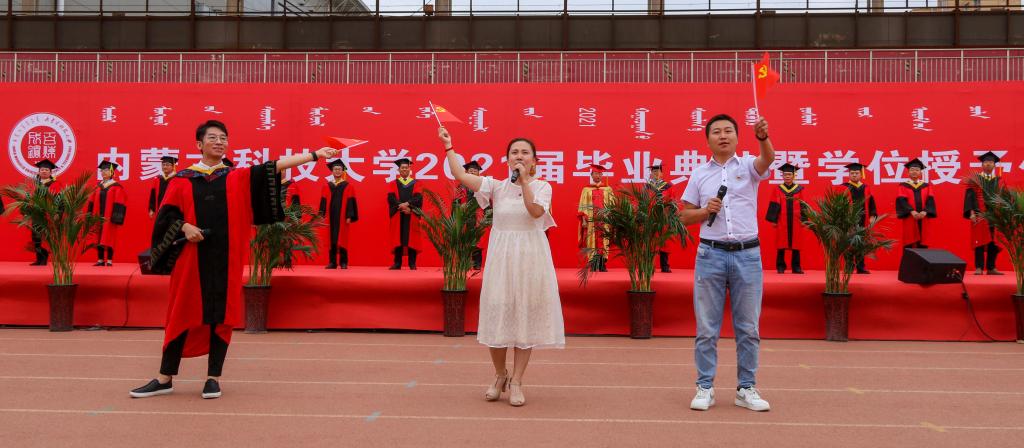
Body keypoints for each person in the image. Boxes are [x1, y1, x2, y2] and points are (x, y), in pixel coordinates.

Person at [130, 120, 340, 400]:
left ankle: (213, 378)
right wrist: (185, 227)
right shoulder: (182, 180)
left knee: (222, 315)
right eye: (213, 138)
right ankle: (164, 377)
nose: (219, 142)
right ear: (199, 144)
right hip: (191, 259)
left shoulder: (235, 177)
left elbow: (272, 167)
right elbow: (165, 216)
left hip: (226, 258)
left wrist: (315, 155)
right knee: (181, 312)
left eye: (224, 138)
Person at [439, 126, 564, 407]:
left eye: (525, 153)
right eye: (514, 152)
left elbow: (535, 212)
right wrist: (448, 146)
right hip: (501, 259)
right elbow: (460, 175)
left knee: (524, 319)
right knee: (498, 315)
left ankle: (517, 381)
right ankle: (500, 375)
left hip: (530, 259)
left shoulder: (542, 187)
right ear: (507, 159)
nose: (519, 156)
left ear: (534, 160)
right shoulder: (495, 186)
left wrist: (524, 181)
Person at [679, 113, 773, 412]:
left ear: (737, 137)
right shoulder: (699, 174)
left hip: (747, 254)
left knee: (748, 327)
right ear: (707, 139)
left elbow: (767, 159)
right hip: (711, 255)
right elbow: (684, 216)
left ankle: (746, 388)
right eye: (717, 132)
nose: (723, 136)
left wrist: (763, 138)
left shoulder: (748, 167)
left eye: (728, 131)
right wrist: (705, 211)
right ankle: (705, 387)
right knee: (707, 328)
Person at [964, 151, 1003, 275]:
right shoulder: (975, 179)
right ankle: (979, 267)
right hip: (979, 214)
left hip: (995, 215)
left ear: (994, 165)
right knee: (979, 240)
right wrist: (971, 213)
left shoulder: (998, 180)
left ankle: (991, 267)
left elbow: (1003, 197)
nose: (988, 164)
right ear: (982, 164)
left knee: (993, 241)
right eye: (986, 162)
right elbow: (970, 197)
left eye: (991, 162)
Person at [764, 163, 807, 274]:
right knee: (781, 243)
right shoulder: (778, 189)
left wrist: (804, 219)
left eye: (789, 174)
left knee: (796, 244)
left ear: (794, 175)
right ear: (782, 176)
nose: (787, 176)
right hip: (782, 220)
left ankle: (796, 267)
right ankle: (780, 266)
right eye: (785, 174)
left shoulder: (799, 189)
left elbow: (803, 205)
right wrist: (774, 220)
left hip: (796, 220)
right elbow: (774, 204)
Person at [319, 159, 358, 270]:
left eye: (339, 169)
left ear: (342, 171)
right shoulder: (327, 186)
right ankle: (332, 262)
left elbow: (350, 202)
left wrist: (349, 216)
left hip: (342, 217)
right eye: (335, 169)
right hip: (330, 217)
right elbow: (323, 202)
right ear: (332, 171)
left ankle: (343, 262)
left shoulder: (348, 186)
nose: (337, 171)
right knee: (331, 238)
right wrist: (322, 216)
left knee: (343, 238)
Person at [87, 160, 127, 267]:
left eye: (106, 170)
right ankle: (100, 260)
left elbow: (119, 202)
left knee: (109, 237)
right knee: (98, 237)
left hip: (109, 218)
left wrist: (116, 217)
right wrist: (89, 215)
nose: (103, 172)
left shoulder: (116, 186)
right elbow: (91, 201)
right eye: (102, 170)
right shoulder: (97, 186)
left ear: (112, 172)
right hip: (97, 216)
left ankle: (109, 260)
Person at [841, 162, 878, 274]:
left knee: (861, 243)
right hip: (848, 220)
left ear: (861, 174)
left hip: (863, 219)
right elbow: (840, 204)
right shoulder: (844, 187)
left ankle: (861, 267)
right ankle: (849, 266)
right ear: (849, 174)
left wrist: (872, 216)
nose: (854, 175)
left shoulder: (866, 188)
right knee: (849, 243)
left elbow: (871, 203)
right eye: (852, 173)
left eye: (856, 173)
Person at [387, 158, 423, 270]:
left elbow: (418, 198)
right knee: (398, 238)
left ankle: (412, 263)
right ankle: (397, 263)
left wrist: (409, 207)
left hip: (411, 214)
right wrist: (401, 206)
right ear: (398, 170)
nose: (404, 169)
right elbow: (391, 198)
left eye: (406, 168)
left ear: (409, 169)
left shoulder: (416, 183)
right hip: (398, 214)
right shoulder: (393, 183)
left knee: (412, 239)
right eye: (402, 168)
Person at [578, 164, 614, 272]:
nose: (598, 176)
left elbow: (612, 204)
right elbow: (583, 205)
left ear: (602, 175)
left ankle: (602, 263)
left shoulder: (607, 189)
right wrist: (583, 220)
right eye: (595, 173)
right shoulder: (586, 189)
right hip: (591, 221)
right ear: (591, 175)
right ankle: (593, 264)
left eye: (599, 174)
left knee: (604, 240)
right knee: (591, 241)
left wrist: (611, 217)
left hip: (604, 220)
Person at [895, 158, 936, 250]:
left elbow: (930, 199)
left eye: (917, 170)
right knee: (909, 240)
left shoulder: (926, 185)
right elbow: (902, 200)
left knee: (923, 240)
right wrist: (912, 211)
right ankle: (909, 259)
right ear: (908, 172)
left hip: (923, 217)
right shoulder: (903, 185)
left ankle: (923, 260)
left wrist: (925, 211)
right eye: (912, 170)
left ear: (920, 173)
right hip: (910, 217)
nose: (914, 172)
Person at [455, 160, 487, 270]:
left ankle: (476, 264)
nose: (472, 172)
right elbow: (455, 201)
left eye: (475, 171)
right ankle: (463, 264)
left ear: (479, 173)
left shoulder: (483, 186)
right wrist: (460, 207)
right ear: (466, 172)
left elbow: (488, 202)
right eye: (470, 170)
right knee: (464, 239)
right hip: (464, 216)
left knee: (477, 240)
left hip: (478, 216)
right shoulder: (461, 186)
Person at [29, 159, 61, 266]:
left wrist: (57, 213)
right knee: (36, 236)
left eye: (46, 170)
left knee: (46, 236)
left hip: (48, 214)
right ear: (38, 171)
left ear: (51, 172)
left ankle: (44, 257)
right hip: (36, 214)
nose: (44, 171)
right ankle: (39, 258)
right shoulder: (35, 184)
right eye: (42, 169)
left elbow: (59, 200)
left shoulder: (55, 184)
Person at [646, 164, 675, 273]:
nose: (656, 173)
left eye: (658, 171)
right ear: (651, 174)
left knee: (664, 241)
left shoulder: (668, 186)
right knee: (650, 241)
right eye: (654, 172)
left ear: (662, 174)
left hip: (664, 217)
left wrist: (670, 213)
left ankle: (665, 265)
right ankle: (649, 266)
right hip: (651, 217)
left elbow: (672, 200)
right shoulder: (647, 186)